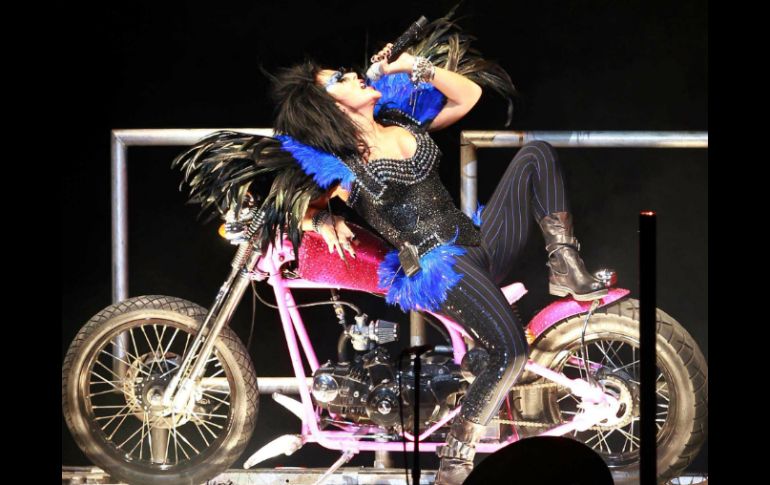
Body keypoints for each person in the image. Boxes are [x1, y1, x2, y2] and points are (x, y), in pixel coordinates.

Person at [174, 11, 607, 485]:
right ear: (327, 107)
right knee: (510, 352)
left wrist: (410, 66)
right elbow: (289, 205)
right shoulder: (343, 166)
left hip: (476, 243)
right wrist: (321, 219)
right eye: (338, 80)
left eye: (347, 72)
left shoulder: (399, 118)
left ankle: (564, 265)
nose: (352, 75)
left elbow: (469, 96)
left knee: (536, 155)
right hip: (440, 268)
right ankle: (456, 462)